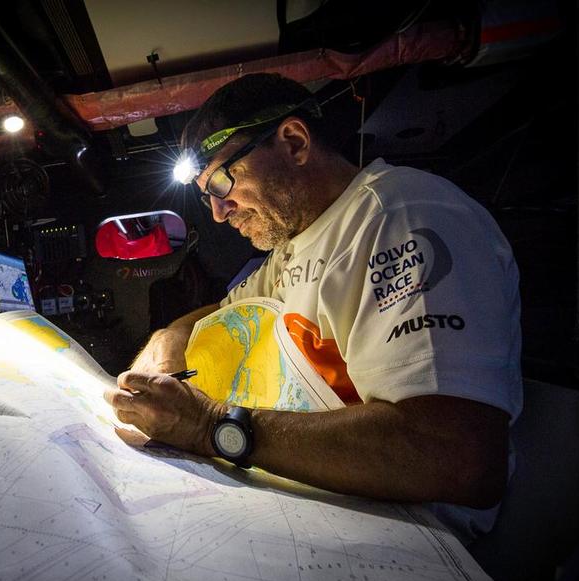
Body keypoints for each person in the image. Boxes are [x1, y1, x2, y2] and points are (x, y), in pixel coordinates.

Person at [103, 74, 522, 543]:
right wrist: (164, 347)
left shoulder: (401, 217)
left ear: (294, 142)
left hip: (414, 536)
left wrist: (208, 426)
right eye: (207, 197)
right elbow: (211, 316)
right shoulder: (292, 249)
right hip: (325, 508)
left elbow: (457, 457)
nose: (219, 212)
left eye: (222, 181)